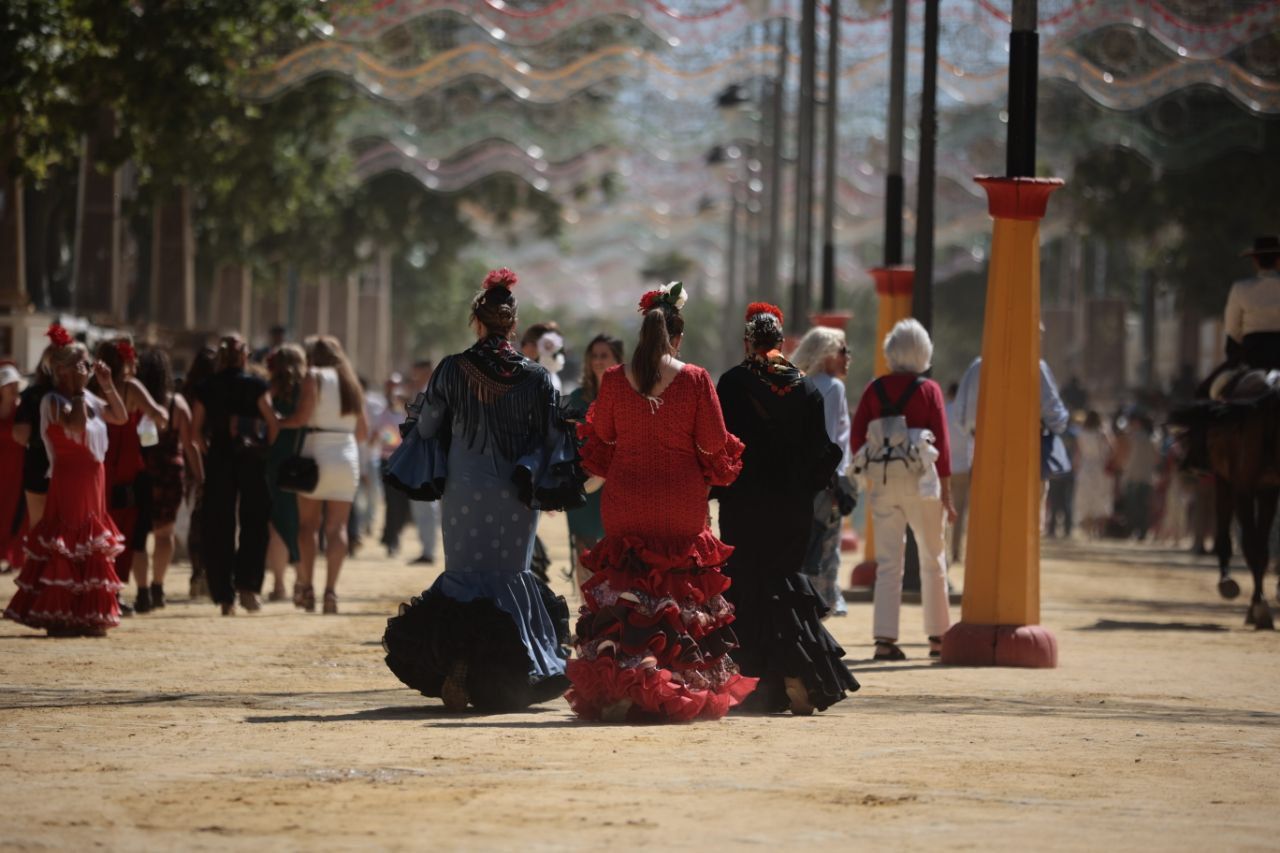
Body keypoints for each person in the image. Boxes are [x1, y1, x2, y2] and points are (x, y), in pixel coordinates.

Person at [382, 267, 576, 711]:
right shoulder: (538, 378)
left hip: (465, 492)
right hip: (515, 496)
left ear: (478, 319)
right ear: (513, 323)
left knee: (465, 579)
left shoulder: (452, 369)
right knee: (509, 577)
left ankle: (458, 668)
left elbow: (428, 425)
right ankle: (504, 677)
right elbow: (552, 440)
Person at [566, 281, 756, 723]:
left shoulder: (614, 381)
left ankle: (624, 683)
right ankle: (673, 684)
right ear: (678, 336)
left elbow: (602, 441)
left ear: (644, 333)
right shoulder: (694, 379)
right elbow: (713, 446)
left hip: (626, 502)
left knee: (630, 594)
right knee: (677, 595)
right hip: (680, 503)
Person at [715, 303, 858, 715]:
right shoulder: (807, 388)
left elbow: (720, 444)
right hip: (791, 509)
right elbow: (822, 455)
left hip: (744, 506)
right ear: (781, 344)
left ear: (748, 342)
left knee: (746, 584)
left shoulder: (732, 383)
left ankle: (751, 685)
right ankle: (798, 677)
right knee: (783, 585)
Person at [4, 325, 128, 636]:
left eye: (87, 363)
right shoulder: (53, 401)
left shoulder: (87, 396)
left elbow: (121, 417)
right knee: (70, 543)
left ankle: (88, 614)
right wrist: (78, 391)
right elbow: (75, 427)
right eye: (81, 364)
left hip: (93, 478)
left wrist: (107, 384)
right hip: (69, 477)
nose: (87, 369)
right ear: (61, 370)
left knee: (90, 543)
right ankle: (61, 614)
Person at [850, 318, 955, 661]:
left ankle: (884, 639)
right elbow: (943, 444)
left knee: (888, 563)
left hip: (882, 483)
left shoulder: (873, 389)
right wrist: (948, 495)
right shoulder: (929, 391)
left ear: (891, 351)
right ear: (924, 351)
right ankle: (938, 636)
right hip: (921, 483)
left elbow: (856, 439)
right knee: (932, 560)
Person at [278, 336, 367, 615]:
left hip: (316, 454)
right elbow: (362, 432)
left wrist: (277, 421)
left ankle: (307, 585)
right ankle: (331, 591)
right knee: (338, 528)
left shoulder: (313, 376)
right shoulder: (351, 382)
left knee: (308, 526)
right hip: (346, 455)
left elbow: (302, 417)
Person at [191, 334, 276, 616]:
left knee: (218, 526)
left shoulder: (207, 387)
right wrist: (265, 447)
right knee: (255, 522)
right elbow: (272, 423)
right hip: (251, 458)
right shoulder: (255, 385)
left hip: (219, 459)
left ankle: (224, 596)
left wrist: (210, 450)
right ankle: (248, 588)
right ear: (244, 356)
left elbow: (195, 431)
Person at [93, 337, 169, 614]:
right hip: (126, 467)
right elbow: (160, 416)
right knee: (121, 534)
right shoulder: (130, 387)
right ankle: (112, 594)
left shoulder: (92, 386)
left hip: (98, 464)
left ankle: (97, 590)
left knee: (96, 531)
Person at [791, 326, 853, 617]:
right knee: (825, 547)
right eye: (842, 350)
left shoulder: (797, 383)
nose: (847, 357)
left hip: (798, 479)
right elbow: (832, 438)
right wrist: (837, 482)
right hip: (825, 479)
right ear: (827, 353)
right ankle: (820, 606)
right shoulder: (833, 387)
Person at [136, 347, 200, 609]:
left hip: (141, 472)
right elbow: (189, 443)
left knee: (138, 537)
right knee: (165, 534)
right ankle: (158, 587)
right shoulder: (177, 404)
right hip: (170, 474)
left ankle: (141, 592)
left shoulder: (134, 401)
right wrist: (199, 475)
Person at [561, 333, 624, 592]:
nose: (598, 361)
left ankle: (611, 618)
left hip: (619, 489)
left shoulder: (628, 396)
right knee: (584, 552)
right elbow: (563, 444)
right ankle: (588, 618)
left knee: (616, 555)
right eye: (594, 356)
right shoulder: (575, 399)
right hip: (584, 486)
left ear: (618, 360)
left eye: (604, 355)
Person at [264, 344, 307, 602]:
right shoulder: (308, 390)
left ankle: (279, 585)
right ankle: (302, 582)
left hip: (276, 460)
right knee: (301, 522)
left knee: (277, 523)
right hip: (302, 461)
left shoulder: (271, 390)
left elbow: (268, 428)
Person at [181, 346, 218, 600]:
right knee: (213, 519)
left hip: (188, 459)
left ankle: (197, 573)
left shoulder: (186, 391)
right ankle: (206, 574)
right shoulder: (212, 393)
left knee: (197, 517)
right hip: (209, 457)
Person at [1221, 235, 1280, 370]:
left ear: (1255, 260)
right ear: (1278, 260)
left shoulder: (1240, 288)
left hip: (1253, 355)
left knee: (1211, 388)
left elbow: (1232, 329)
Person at [13, 345, 55, 531]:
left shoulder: (31, 395)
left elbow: (21, 436)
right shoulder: (78, 396)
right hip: (69, 465)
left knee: (38, 526)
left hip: (39, 463)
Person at [374, 375, 410, 557]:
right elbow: (378, 437)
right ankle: (391, 539)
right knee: (392, 502)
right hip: (387, 462)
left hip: (404, 462)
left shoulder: (408, 412)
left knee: (402, 504)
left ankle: (391, 535)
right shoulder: (382, 413)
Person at [407, 359, 438, 565]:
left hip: (428, 453)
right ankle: (427, 548)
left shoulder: (431, 392)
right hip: (424, 452)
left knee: (426, 504)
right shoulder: (425, 391)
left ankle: (429, 549)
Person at [0, 362, 26, 571]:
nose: (13, 388)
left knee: (14, 512)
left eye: (15, 384)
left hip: (17, 468)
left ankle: (11, 555)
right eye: (9, 384)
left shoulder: (22, 409)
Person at [1072, 411, 1114, 538]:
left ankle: (1088, 530)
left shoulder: (1081, 434)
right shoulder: (1103, 433)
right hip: (1100, 468)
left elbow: (1078, 454)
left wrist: (1075, 467)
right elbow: (1112, 449)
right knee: (1101, 497)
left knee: (1086, 498)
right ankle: (1099, 530)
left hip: (1085, 468)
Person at [1120, 413, 1159, 541]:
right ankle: (1142, 532)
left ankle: (1130, 531)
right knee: (1143, 506)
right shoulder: (1153, 439)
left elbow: (1124, 456)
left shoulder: (1131, 437)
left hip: (1132, 477)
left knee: (1131, 506)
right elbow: (1157, 459)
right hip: (1146, 477)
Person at [944, 380, 971, 563]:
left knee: (941, 513)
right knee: (959, 514)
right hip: (963, 468)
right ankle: (955, 552)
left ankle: (942, 550)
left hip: (943, 468)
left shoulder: (943, 410)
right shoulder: (967, 414)